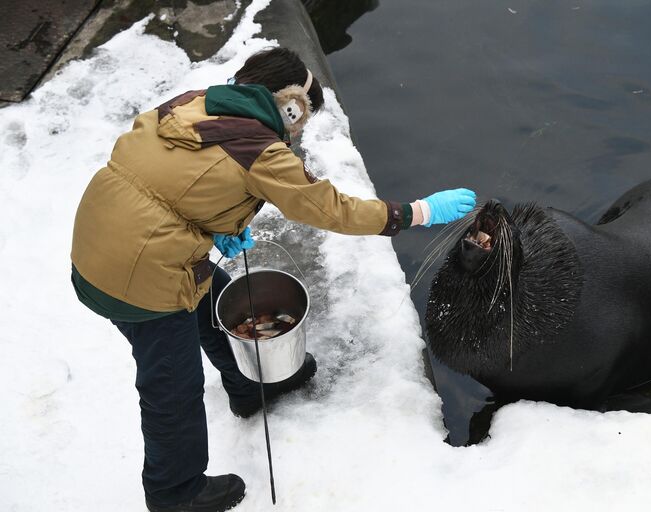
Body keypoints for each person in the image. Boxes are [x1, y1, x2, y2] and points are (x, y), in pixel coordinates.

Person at [70, 47, 476, 512]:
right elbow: (330, 208)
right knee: (171, 387)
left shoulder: (193, 103)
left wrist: (217, 223)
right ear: (289, 105)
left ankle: (249, 385)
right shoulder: (259, 150)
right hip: (136, 276)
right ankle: (175, 492)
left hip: (99, 243)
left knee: (217, 295)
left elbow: (171, 176)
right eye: (300, 120)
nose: (297, 132)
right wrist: (416, 212)